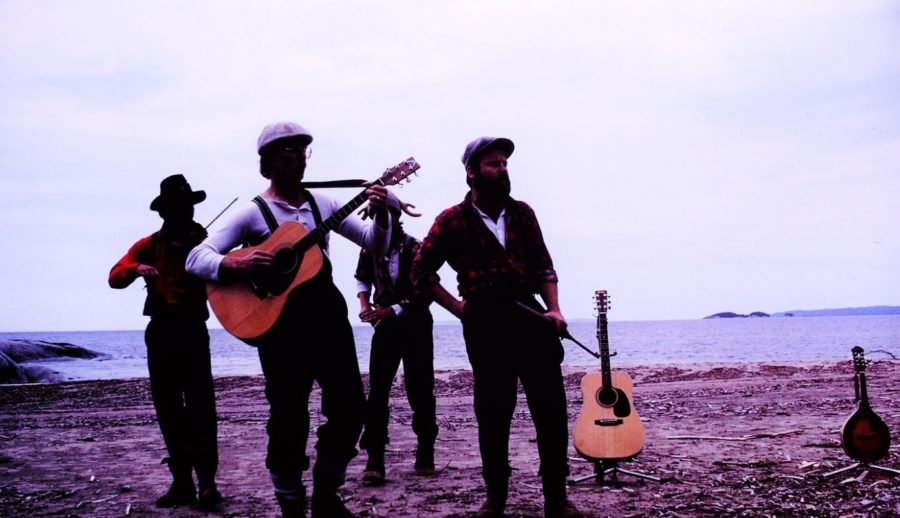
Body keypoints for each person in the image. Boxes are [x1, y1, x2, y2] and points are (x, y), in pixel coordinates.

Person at [186, 121, 392, 518]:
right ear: (267, 163)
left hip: (328, 315)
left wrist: (383, 216)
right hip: (280, 323)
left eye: (302, 150)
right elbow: (196, 257)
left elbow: (374, 245)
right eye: (287, 151)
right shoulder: (253, 212)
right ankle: (292, 502)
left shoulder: (325, 205)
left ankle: (327, 492)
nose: (297, 157)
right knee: (287, 415)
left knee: (351, 407)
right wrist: (235, 260)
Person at [411, 137, 583, 518]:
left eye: (505, 163)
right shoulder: (451, 220)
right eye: (493, 164)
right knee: (493, 413)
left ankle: (556, 497)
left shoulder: (523, 213)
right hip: (485, 322)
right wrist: (457, 308)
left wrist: (554, 309)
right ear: (472, 172)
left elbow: (544, 267)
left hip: (531, 318)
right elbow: (420, 271)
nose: (502, 169)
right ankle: (496, 498)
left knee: (551, 412)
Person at [108, 174, 222, 510]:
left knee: (202, 407)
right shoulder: (148, 244)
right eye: (174, 208)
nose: (182, 214)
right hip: (160, 332)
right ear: (164, 213)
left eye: (186, 207)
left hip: (192, 330)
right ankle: (183, 483)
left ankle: (208, 484)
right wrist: (136, 268)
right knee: (168, 408)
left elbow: (232, 272)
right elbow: (114, 276)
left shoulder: (207, 242)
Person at [354, 193, 445, 485]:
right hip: (385, 327)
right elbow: (361, 277)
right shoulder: (369, 247)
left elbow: (425, 291)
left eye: (380, 214)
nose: (375, 220)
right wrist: (364, 305)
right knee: (377, 392)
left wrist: (391, 309)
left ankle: (426, 450)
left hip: (416, 325)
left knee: (420, 390)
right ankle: (375, 458)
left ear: (393, 215)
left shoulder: (415, 248)